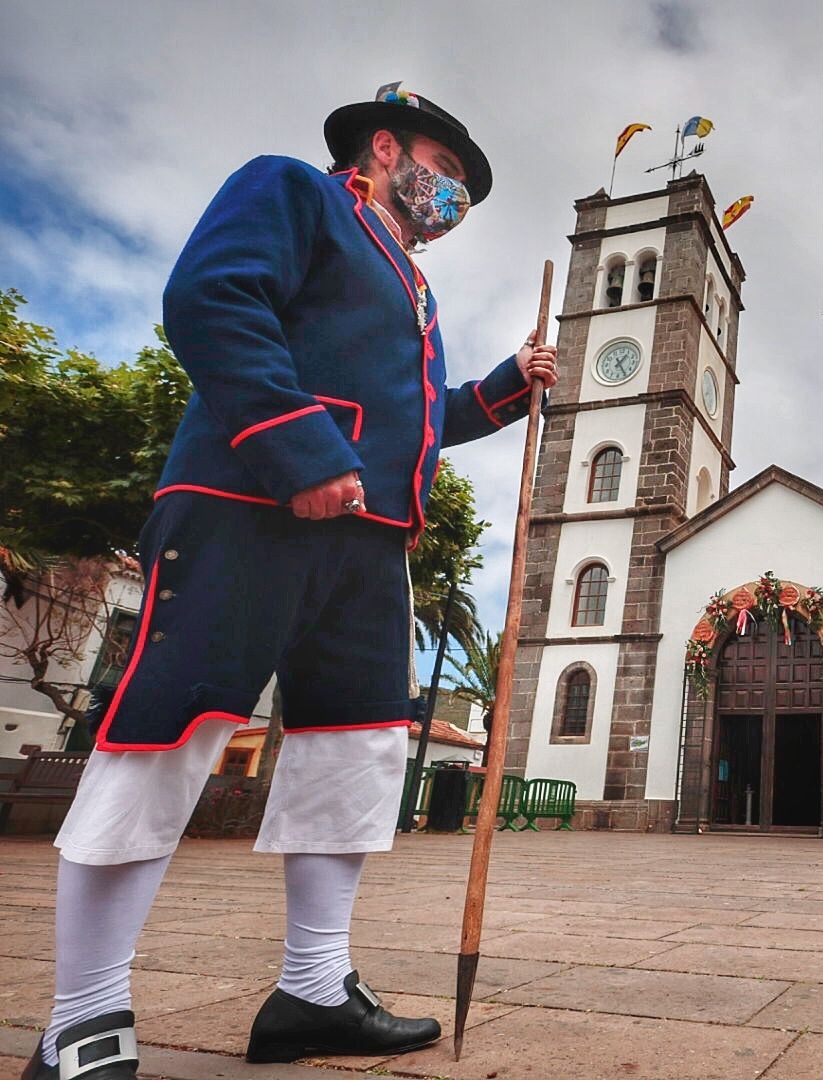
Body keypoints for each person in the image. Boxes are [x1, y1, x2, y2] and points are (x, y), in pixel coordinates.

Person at [23, 82, 559, 1080]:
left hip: (372, 545)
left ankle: (313, 990)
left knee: (353, 757)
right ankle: (83, 1020)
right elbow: (213, 299)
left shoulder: (414, 287)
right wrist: (298, 449)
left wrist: (504, 388)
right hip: (247, 503)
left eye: (466, 195)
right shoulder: (292, 194)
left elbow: (418, 417)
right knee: (172, 734)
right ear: (386, 147)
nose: (455, 199)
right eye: (446, 174)